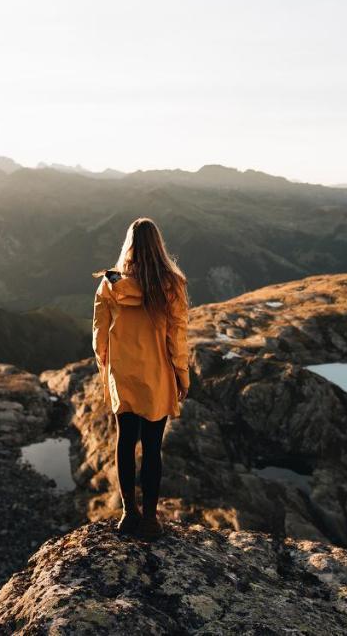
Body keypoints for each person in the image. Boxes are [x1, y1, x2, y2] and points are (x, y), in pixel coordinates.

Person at [91, 217, 190, 541]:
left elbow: (99, 336)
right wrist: (181, 375)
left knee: (124, 441)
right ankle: (149, 519)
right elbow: (177, 336)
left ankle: (127, 514)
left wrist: (105, 367)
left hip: (124, 373)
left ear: (128, 246)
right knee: (151, 447)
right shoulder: (171, 284)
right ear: (158, 246)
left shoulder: (110, 283)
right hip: (156, 374)